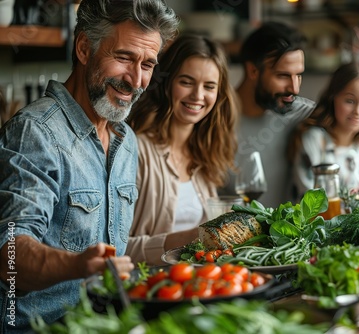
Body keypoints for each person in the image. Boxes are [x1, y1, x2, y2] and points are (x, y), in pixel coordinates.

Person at [0, 0, 179, 331]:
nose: (136, 80)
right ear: (84, 48)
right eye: (124, 57)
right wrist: (76, 265)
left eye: (148, 64)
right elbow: (9, 254)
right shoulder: (35, 133)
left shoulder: (127, 141)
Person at [126, 34, 238, 266]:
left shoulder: (207, 153)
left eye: (209, 86)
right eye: (186, 82)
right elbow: (115, 249)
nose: (198, 96)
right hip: (147, 288)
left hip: (198, 284)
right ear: (166, 82)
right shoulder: (136, 150)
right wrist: (194, 236)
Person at [219, 22, 315, 208]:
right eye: (283, 76)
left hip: (288, 235)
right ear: (253, 70)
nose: (294, 88)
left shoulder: (302, 114)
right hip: (228, 233)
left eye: (299, 75)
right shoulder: (212, 116)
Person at [288, 62, 359, 202]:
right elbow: (310, 200)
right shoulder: (314, 140)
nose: (358, 112)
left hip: (358, 223)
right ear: (333, 97)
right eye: (350, 101)